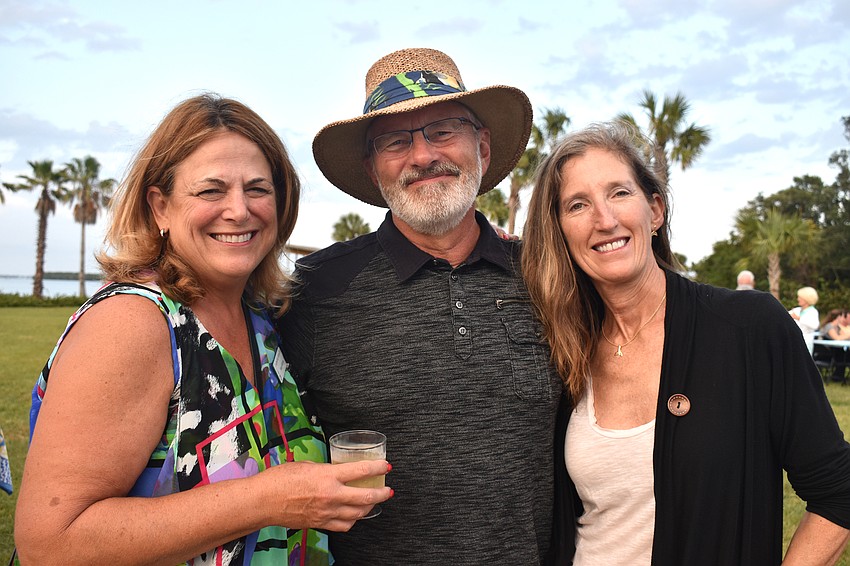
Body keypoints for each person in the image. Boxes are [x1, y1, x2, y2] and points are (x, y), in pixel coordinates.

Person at [14, 94, 392, 565]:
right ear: (160, 207)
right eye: (211, 191)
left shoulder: (263, 317)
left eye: (258, 189)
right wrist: (268, 498)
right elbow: (50, 544)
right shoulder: (133, 323)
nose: (239, 210)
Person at [278, 48, 563, 564]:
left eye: (443, 131)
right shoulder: (314, 291)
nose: (422, 155)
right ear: (372, 168)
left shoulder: (548, 276)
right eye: (395, 141)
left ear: (482, 145)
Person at [521, 121, 850, 564]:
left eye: (619, 193)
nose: (605, 219)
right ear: (559, 231)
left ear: (655, 210)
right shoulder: (564, 348)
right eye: (577, 205)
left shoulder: (748, 328)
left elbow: (837, 491)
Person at [789, 286, 820, 354]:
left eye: (800, 297)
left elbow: (815, 325)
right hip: (794, 341)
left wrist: (799, 318)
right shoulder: (797, 310)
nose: (798, 299)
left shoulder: (813, 312)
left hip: (806, 341)